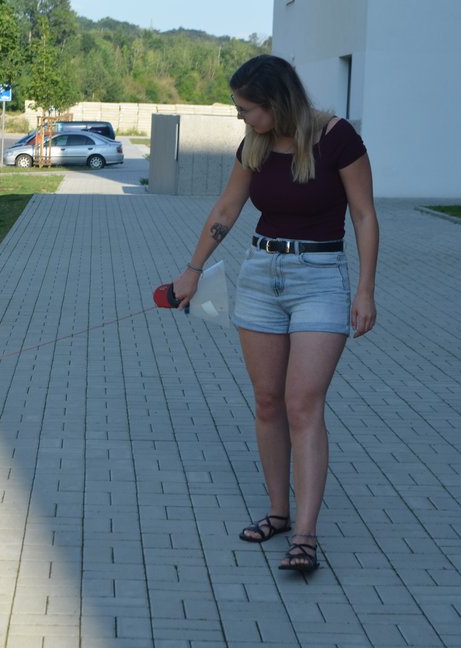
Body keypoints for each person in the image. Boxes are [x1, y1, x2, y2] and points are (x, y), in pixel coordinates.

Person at [172, 54, 379, 573]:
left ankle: (306, 536)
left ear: (277, 102)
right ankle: (279, 513)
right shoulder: (256, 145)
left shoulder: (337, 138)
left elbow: (364, 214)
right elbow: (226, 209)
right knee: (268, 402)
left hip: (320, 279)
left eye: (247, 109)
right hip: (261, 274)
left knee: (302, 404)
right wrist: (192, 271)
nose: (242, 118)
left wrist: (367, 291)